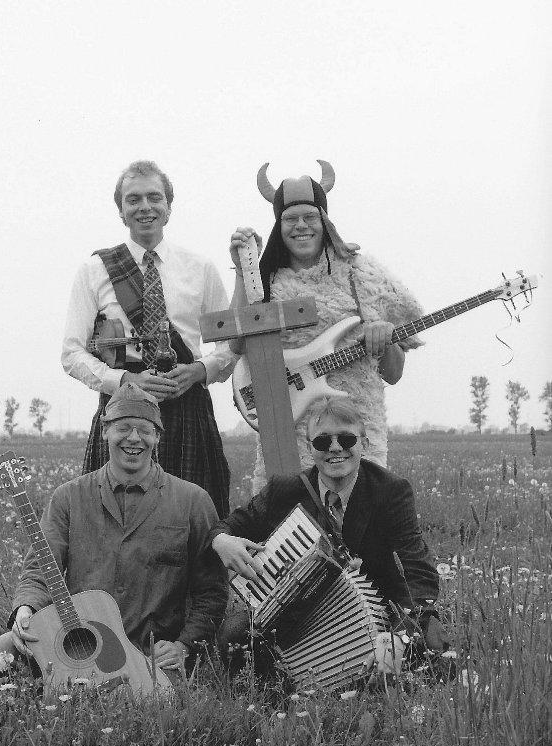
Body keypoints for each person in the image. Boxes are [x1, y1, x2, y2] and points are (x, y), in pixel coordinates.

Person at [210, 397, 447, 677]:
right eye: (323, 441)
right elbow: (227, 526)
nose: (335, 448)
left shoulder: (391, 491)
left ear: (364, 444)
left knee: (432, 646)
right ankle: (278, 691)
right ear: (310, 448)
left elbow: (419, 574)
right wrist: (221, 540)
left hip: (380, 613)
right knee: (235, 633)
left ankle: (378, 676)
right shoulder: (284, 490)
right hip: (299, 613)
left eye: (346, 439)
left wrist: (398, 637)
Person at [1, 383, 228, 674]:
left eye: (145, 430)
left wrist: (184, 645)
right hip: (78, 645)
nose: (134, 438)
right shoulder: (68, 497)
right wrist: (27, 608)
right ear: (105, 430)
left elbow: (212, 591)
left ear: (157, 437)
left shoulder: (193, 501)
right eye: (123, 428)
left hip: (150, 654)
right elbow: (40, 569)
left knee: (142, 698)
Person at [230, 160, 424, 486]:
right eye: (290, 218)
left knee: (361, 514)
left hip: (356, 438)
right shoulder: (264, 283)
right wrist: (242, 271)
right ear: (278, 226)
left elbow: (393, 374)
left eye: (310, 217)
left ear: (325, 221)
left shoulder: (362, 275)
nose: (300, 226)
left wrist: (387, 340)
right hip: (286, 442)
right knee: (287, 515)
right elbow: (236, 343)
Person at [62, 159, 235, 517]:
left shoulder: (201, 268)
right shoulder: (94, 271)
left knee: (195, 522)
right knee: (111, 522)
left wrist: (199, 371)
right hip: (122, 412)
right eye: (134, 199)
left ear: (169, 207)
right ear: (121, 211)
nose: (145, 207)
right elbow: (72, 354)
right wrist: (125, 380)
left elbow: (230, 345)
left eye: (154, 198)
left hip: (186, 408)